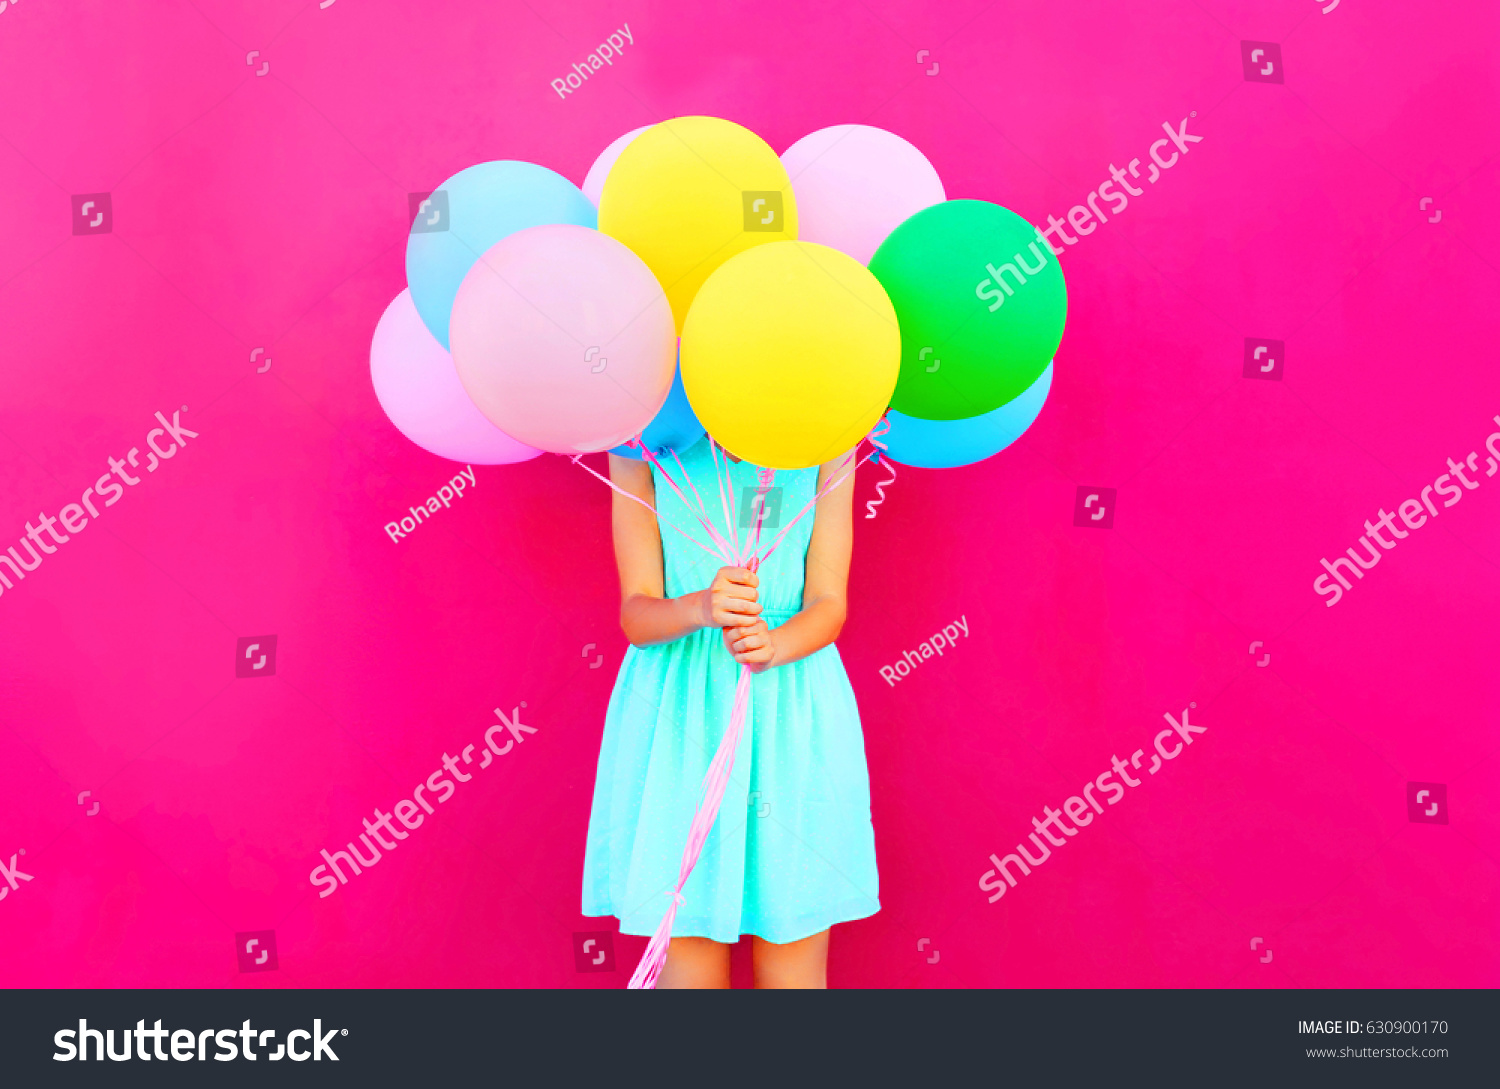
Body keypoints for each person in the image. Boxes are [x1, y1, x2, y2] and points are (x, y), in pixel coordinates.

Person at [581, 438, 879, 988]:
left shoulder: (829, 435)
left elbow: (829, 603)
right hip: (681, 715)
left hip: (791, 709)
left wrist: (775, 646)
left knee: (794, 960)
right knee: (688, 962)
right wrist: (700, 606)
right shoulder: (640, 439)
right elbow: (636, 614)